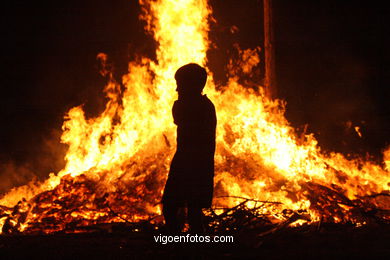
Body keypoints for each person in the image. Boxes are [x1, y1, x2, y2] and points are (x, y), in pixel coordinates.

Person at [162, 63, 217, 234]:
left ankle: (176, 237)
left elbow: (179, 118)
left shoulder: (189, 106)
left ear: (192, 85)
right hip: (201, 162)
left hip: (188, 160)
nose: (177, 89)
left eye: (180, 84)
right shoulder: (207, 106)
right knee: (194, 206)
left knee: (172, 202)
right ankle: (192, 237)